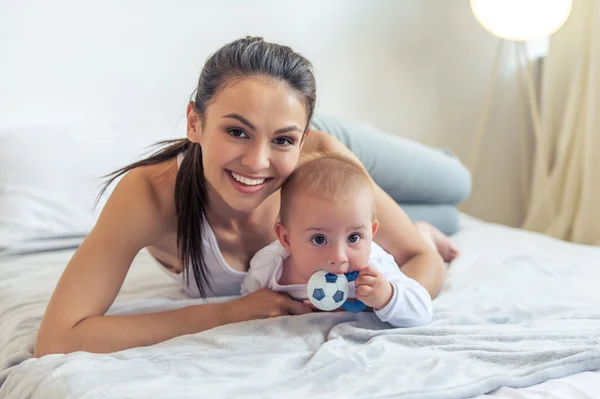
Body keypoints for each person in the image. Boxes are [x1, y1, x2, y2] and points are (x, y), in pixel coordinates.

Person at [35, 36, 454, 357]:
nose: (256, 161)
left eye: (281, 140)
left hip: (336, 174)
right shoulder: (150, 195)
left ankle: (423, 224)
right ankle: (424, 224)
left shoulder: (317, 153)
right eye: (236, 131)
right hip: (334, 203)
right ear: (194, 122)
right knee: (419, 219)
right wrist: (228, 313)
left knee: (456, 184)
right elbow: (58, 337)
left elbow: (422, 261)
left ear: (301, 139)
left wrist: (386, 300)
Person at [241, 155, 435, 328]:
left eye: (354, 238)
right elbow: (247, 300)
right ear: (286, 239)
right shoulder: (268, 267)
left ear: (371, 234)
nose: (339, 257)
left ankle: (426, 235)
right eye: (319, 239)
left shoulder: (375, 268)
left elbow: (422, 312)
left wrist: (387, 296)